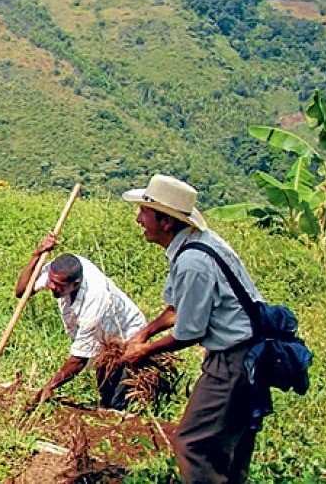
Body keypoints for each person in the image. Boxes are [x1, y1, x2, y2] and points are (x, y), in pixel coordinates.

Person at [122, 174, 260, 483]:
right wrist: (144, 332)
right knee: (228, 448)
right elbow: (175, 310)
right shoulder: (197, 246)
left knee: (192, 444)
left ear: (167, 222)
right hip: (246, 354)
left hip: (234, 361)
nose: (138, 219)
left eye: (145, 212)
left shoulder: (192, 263)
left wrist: (145, 351)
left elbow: (189, 332)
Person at [16, 233, 146, 410]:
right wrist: (37, 255)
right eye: (51, 282)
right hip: (102, 331)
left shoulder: (95, 301)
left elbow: (79, 360)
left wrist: (48, 388)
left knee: (116, 396)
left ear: (76, 284)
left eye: (59, 285)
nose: (52, 287)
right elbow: (22, 291)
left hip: (126, 333)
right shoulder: (61, 270)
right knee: (104, 384)